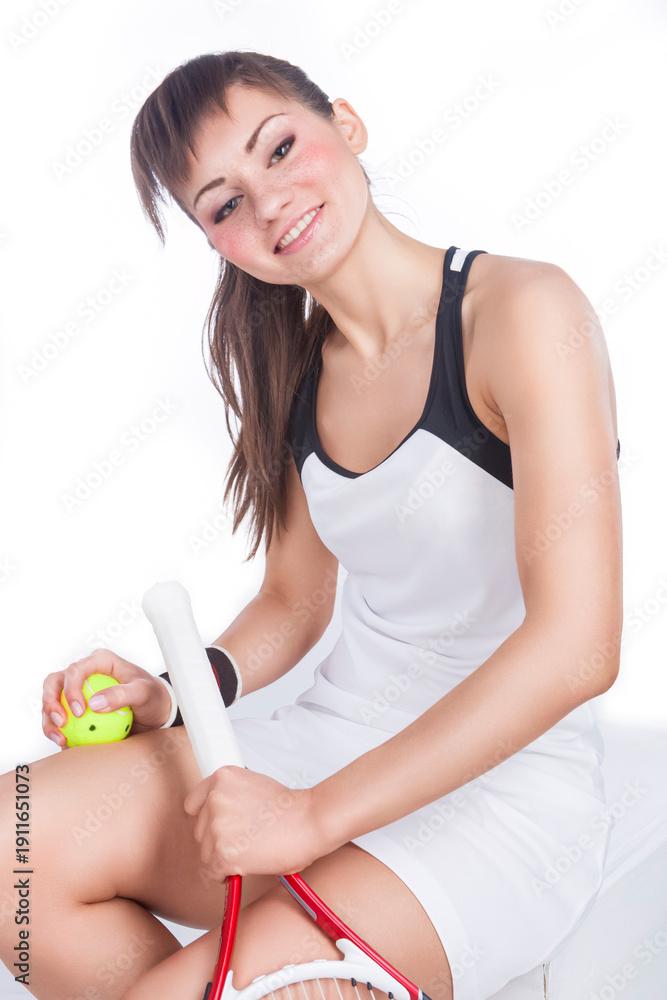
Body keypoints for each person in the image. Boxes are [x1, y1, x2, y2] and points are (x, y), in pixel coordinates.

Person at [0, 50, 623, 1000]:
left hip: (499, 798)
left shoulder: (523, 312)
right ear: (216, 242)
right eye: (224, 204)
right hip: (327, 747)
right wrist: (175, 693)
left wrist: (313, 818)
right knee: (13, 852)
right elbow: (293, 602)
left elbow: (578, 650)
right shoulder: (297, 370)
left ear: (346, 122)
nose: (268, 202)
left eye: (281, 148)